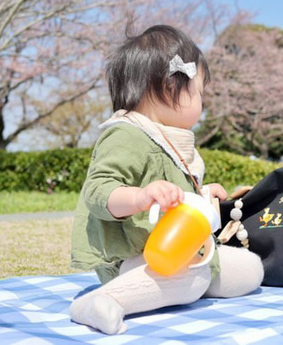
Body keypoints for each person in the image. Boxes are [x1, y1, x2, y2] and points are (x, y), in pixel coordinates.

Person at [69, 24, 264, 334]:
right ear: (169, 86)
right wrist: (139, 197)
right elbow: (97, 189)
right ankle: (102, 301)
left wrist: (205, 196)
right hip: (133, 256)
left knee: (249, 269)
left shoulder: (173, 141)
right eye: (199, 91)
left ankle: (176, 285)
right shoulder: (127, 134)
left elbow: (179, 204)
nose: (202, 102)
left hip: (177, 249)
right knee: (193, 279)